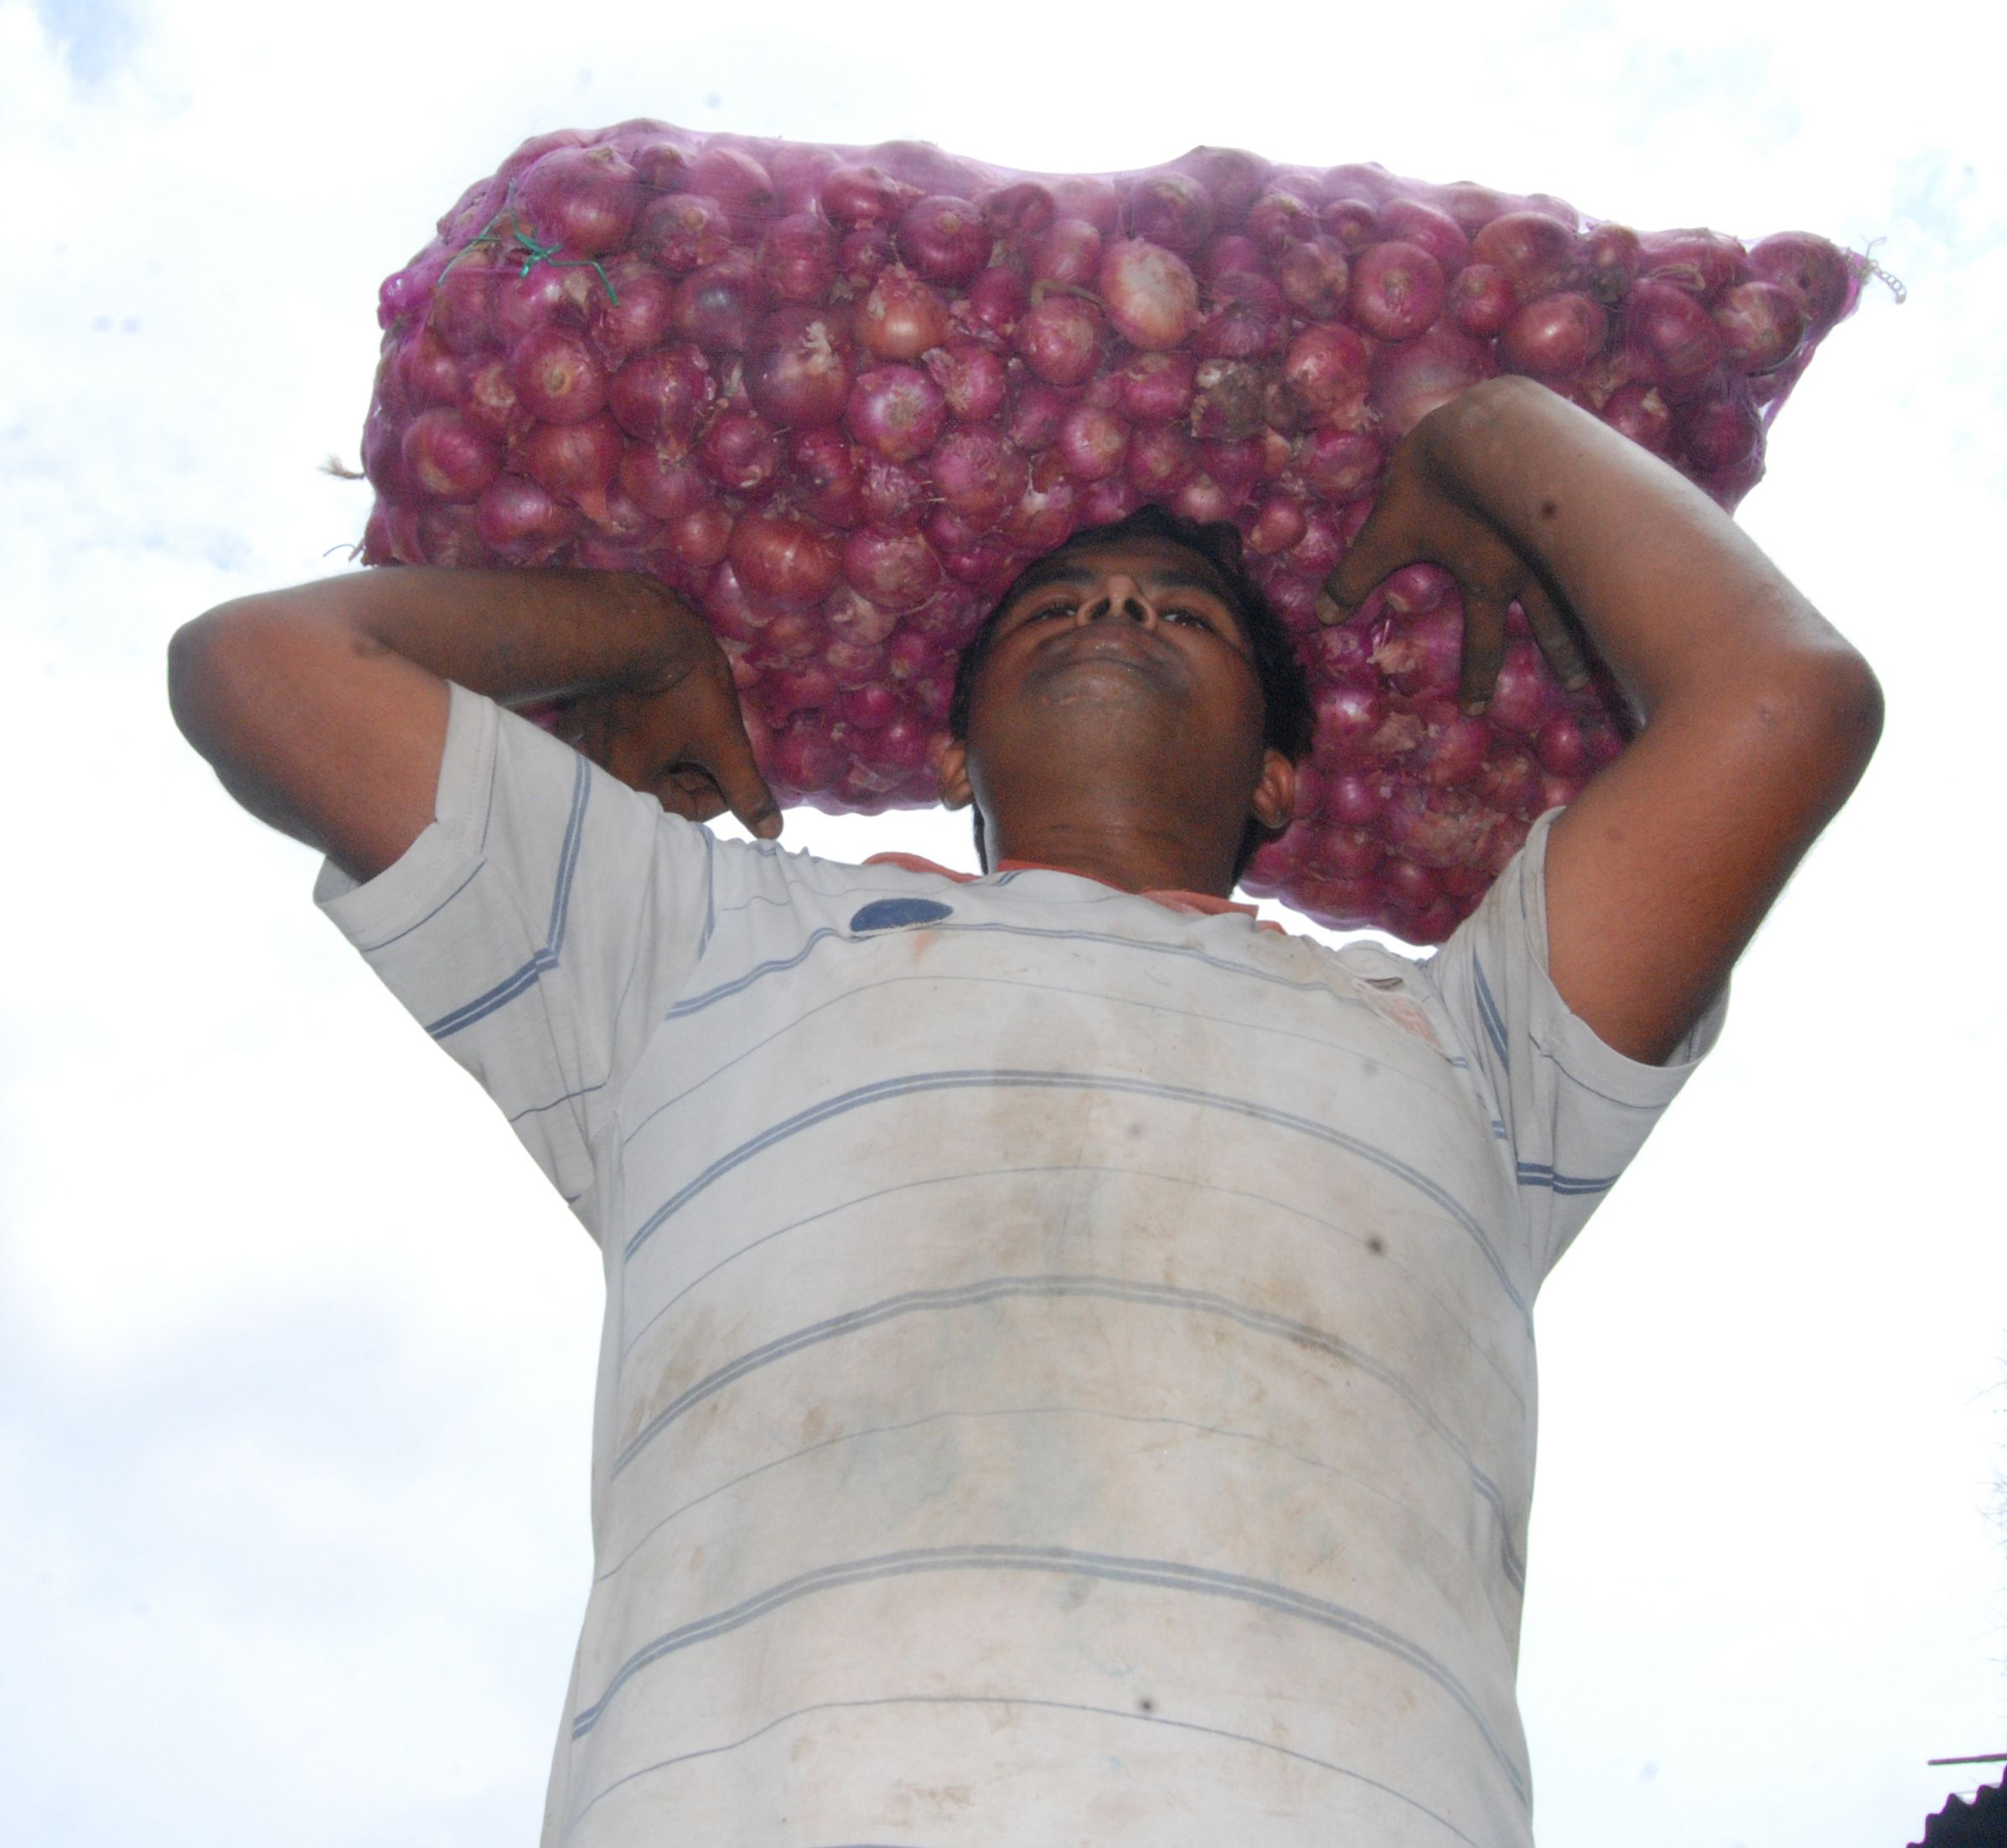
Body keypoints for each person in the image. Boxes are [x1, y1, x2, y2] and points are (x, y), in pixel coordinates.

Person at [168, 375, 1880, 1846]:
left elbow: (1782, 699)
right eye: (1059, 599)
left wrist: (1477, 422)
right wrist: (646, 630)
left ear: (1283, 773)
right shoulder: (694, 934)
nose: (1118, 607)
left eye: (1182, 607)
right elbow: (261, 666)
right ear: (955, 746)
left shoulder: (1471, 1032)